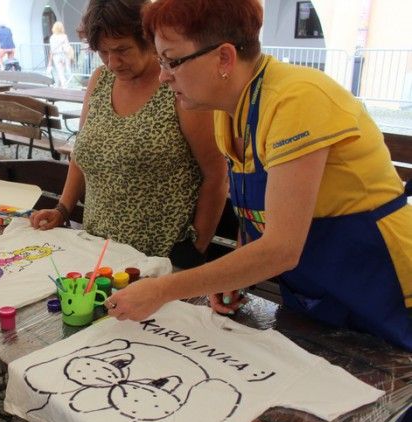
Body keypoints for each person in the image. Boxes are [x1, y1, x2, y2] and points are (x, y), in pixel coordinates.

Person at [108, 0, 412, 351]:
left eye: (171, 60)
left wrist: (163, 290)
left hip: (382, 285)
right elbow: (256, 210)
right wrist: (233, 273)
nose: (163, 76)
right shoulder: (228, 109)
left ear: (224, 58)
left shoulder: (296, 99)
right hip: (317, 291)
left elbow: (281, 248)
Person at [31, 0, 227, 270]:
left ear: (147, 39)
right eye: (103, 52)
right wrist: (62, 209)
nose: (113, 62)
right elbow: (82, 153)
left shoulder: (178, 84)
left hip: (157, 262)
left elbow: (216, 174)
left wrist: (194, 249)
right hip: (96, 254)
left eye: (122, 50)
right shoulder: (100, 80)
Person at [47, 21, 72, 87]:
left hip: (56, 56)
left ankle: (61, 85)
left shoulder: (52, 37)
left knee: (60, 71)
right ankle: (63, 85)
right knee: (65, 71)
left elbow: (52, 49)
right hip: (64, 55)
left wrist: (50, 61)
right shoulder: (64, 36)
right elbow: (67, 48)